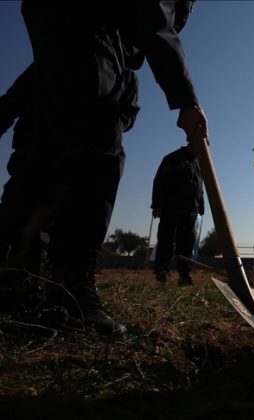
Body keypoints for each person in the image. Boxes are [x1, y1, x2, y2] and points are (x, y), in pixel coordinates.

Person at [7, 0, 208, 334]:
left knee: (48, 158)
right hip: (80, 17)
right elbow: (154, 21)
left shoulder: (108, 56)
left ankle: (17, 290)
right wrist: (186, 100)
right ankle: (69, 294)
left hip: (56, 17)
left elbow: (40, 74)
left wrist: (4, 110)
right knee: (98, 152)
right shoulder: (103, 33)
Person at [0, 63, 140, 316]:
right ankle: (18, 285)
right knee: (23, 213)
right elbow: (17, 96)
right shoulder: (61, 54)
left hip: (91, 155)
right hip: (39, 148)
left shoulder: (126, 75)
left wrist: (109, 122)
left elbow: (129, 113)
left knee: (77, 221)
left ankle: (66, 291)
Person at [151, 143, 205, 286]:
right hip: (171, 209)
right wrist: (157, 205)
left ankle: (184, 275)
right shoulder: (173, 159)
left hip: (190, 212)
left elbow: (200, 186)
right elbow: (159, 182)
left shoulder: (198, 163)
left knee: (187, 244)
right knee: (166, 241)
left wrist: (201, 204)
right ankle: (161, 272)